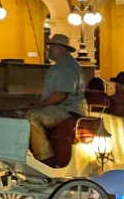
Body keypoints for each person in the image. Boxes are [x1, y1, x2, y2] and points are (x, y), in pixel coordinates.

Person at [25, 33, 88, 161]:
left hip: (68, 110)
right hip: (61, 108)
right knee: (27, 114)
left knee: (33, 117)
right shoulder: (60, 66)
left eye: (52, 47)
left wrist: (38, 107)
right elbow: (49, 93)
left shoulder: (67, 67)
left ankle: (45, 157)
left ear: (62, 49)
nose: (49, 50)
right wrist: (33, 104)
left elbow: (60, 95)